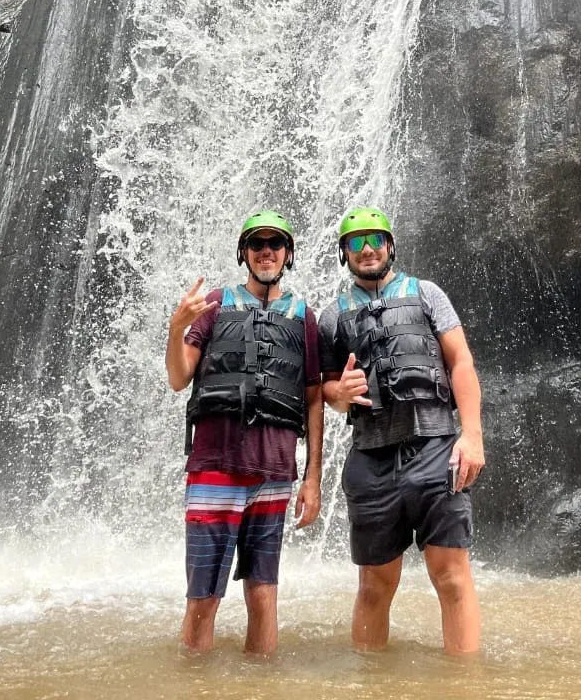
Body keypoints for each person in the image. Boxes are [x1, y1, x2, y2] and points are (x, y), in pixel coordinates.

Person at [318, 205, 484, 655]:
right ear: (345, 253)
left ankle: (464, 681)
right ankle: (372, 680)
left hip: (436, 449)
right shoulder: (332, 318)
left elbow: (460, 362)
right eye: (356, 242)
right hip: (371, 458)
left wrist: (472, 436)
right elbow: (326, 390)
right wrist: (339, 393)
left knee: (451, 577)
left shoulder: (427, 294)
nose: (367, 249)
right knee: (374, 585)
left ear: (390, 245)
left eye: (376, 239)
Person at [166, 210, 323, 656]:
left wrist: (312, 478)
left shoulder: (303, 317)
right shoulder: (216, 304)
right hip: (215, 469)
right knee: (203, 600)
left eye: (275, 244)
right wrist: (176, 327)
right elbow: (178, 378)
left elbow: (313, 399)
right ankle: (194, 683)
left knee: (263, 594)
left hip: (274, 473)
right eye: (257, 244)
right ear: (244, 252)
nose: (266, 252)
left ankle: (261, 683)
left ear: (288, 254)